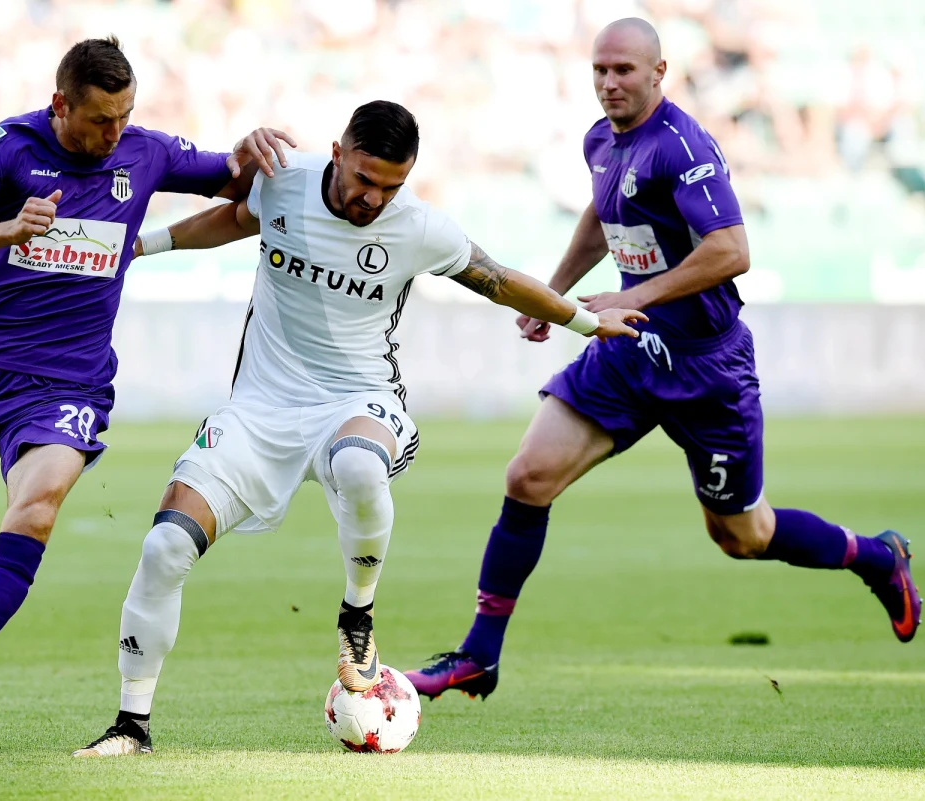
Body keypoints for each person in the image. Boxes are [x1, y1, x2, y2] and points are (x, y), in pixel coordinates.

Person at [72, 100, 647, 757]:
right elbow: (233, 218)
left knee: (357, 465)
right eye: (364, 179)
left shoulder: (418, 227)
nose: (373, 197)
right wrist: (140, 246)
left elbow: (496, 278)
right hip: (259, 410)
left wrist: (581, 318)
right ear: (338, 151)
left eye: (390, 186)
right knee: (164, 549)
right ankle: (131, 725)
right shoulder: (285, 179)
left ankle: (357, 615)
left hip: (360, 398)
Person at [405, 18, 922, 702]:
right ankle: (478, 655)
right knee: (528, 476)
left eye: (623, 70)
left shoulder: (680, 146)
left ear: (658, 72)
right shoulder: (601, 141)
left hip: (707, 367)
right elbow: (601, 215)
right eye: (599, 71)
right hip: (628, 349)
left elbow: (732, 249)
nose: (609, 83)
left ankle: (879, 557)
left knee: (744, 534)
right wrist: (553, 294)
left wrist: (631, 293)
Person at [0, 36, 295, 737]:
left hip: (68, 380)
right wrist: (8, 228)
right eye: (101, 119)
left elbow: (242, 183)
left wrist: (250, 150)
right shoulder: (9, 146)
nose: (116, 133)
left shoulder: (145, 151)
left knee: (35, 509)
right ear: (61, 104)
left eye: (126, 116)